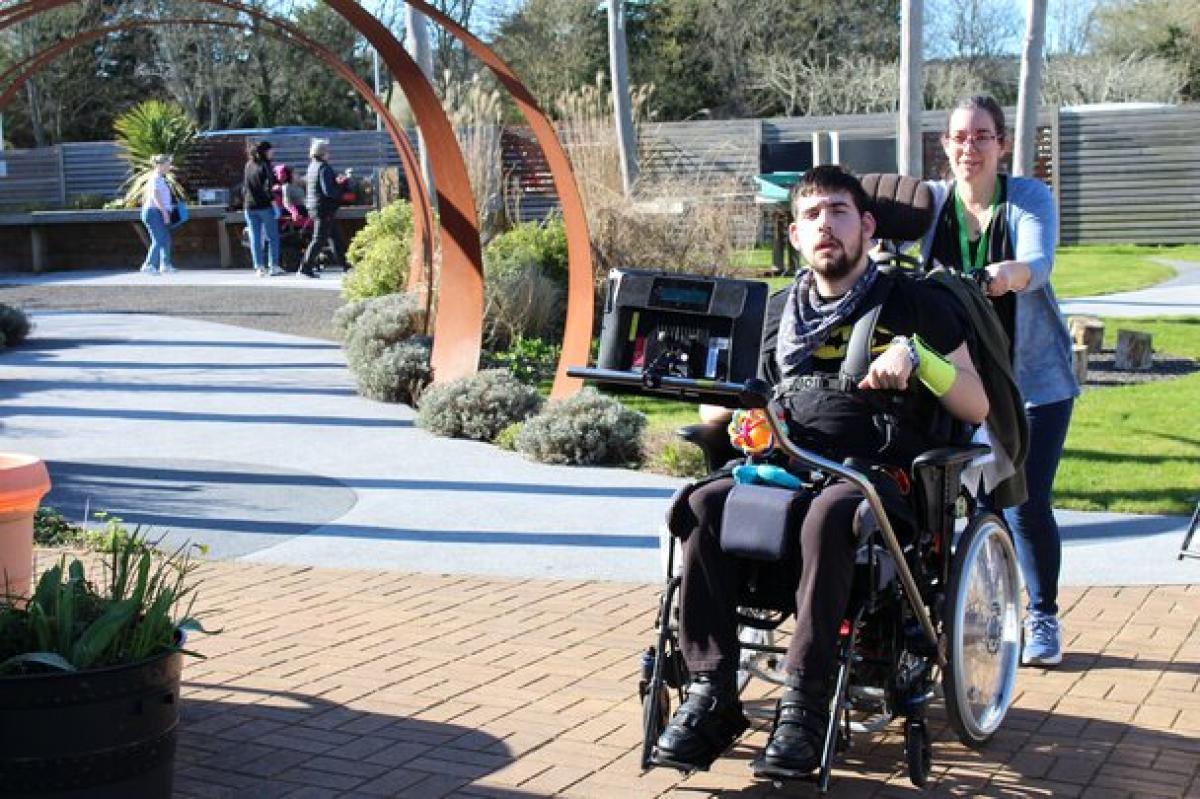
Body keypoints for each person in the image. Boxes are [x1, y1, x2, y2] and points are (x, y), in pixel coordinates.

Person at [655, 166, 989, 776]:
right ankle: (710, 693)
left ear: (865, 226)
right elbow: (717, 406)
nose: (825, 225)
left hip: (876, 479)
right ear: (795, 235)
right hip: (783, 467)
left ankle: (805, 704)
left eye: (838, 211)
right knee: (702, 505)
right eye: (812, 216)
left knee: (833, 515)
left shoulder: (918, 303)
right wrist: (719, 386)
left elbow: (975, 403)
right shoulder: (777, 310)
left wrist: (920, 359)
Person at [920, 95, 1078, 667]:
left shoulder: (1028, 197)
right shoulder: (932, 204)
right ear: (945, 145)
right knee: (963, 502)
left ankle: (1042, 617)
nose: (971, 147)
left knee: (1023, 500)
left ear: (1002, 144)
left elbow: (1038, 264)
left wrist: (1004, 276)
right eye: (960, 136)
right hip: (961, 380)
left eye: (983, 136)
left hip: (1034, 383)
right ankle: (979, 611)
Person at [299, 138, 345, 278]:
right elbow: (328, 191)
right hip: (324, 207)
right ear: (323, 152)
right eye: (327, 151)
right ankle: (305, 267)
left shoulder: (312, 166)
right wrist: (340, 186)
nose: (329, 153)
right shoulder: (324, 168)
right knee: (319, 239)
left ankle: (345, 264)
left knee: (335, 237)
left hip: (314, 206)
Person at [243, 139, 282, 277]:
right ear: (265, 152)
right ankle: (274, 266)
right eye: (271, 150)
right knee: (272, 237)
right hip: (264, 206)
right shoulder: (266, 166)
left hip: (249, 205)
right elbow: (268, 188)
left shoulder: (248, 165)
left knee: (255, 238)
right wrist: (274, 204)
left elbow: (245, 187)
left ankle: (259, 267)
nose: (273, 152)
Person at [139, 154, 176, 275]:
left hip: (157, 211)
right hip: (154, 212)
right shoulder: (155, 178)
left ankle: (165, 265)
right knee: (159, 239)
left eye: (169, 165)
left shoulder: (160, 178)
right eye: (167, 165)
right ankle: (148, 265)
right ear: (159, 165)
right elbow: (156, 196)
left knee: (165, 239)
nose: (169, 167)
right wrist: (165, 213)